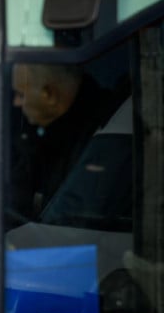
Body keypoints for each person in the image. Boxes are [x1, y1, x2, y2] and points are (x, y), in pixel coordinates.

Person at [9, 62, 118, 220]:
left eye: (21, 95)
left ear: (50, 95)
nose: (16, 103)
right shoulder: (43, 135)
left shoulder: (101, 142)